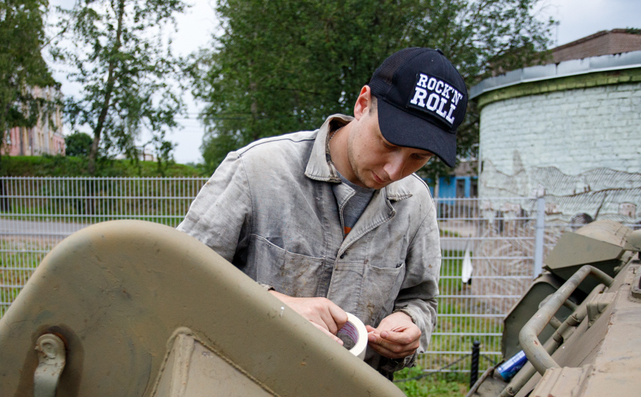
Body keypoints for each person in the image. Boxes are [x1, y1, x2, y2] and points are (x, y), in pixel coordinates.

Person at [178, 47, 468, 380]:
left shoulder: (416, 203)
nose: (394, 169)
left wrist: (411, 325)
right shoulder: (258, 170)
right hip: (239, 394)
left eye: (418, 157)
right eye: (388, 143)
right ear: (362, 104)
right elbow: (178, 277)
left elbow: (421, 299)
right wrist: (276, 308)